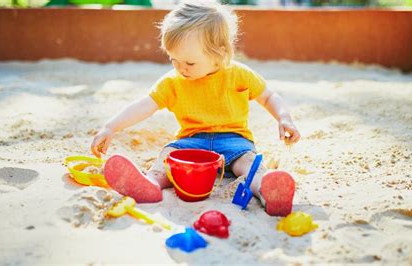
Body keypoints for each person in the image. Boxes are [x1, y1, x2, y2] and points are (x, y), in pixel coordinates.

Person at [90, 0, 300, 216]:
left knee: (249, 164)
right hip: (191, 141)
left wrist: (284, 118)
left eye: (190, 63)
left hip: (234, 140)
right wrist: (110, 126)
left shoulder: (239, 74)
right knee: (168, 155)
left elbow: (268, 96)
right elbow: (143, 106)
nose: (181, 68)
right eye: (174, 59)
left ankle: (267, 190)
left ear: (219, 55)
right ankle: (150, 183)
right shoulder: (173, 82)